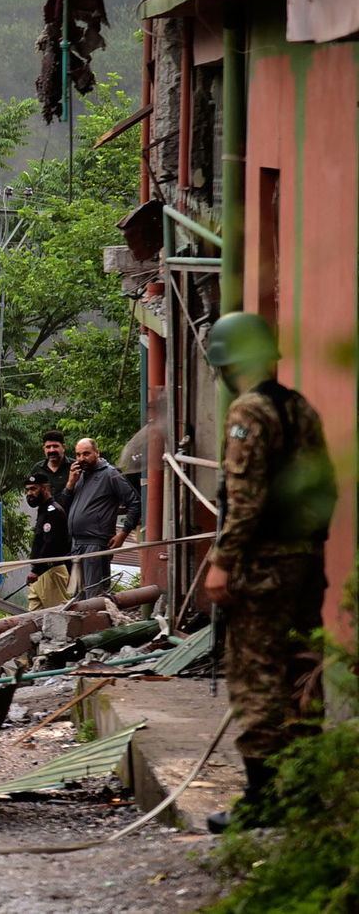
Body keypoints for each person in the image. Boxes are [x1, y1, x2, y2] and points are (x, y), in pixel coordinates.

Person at [200, 312, 335, 833]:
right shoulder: (301, 408)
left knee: (256, 679)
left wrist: (223, 561)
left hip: (262, 569)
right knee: (303, 672)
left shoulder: (249, 412)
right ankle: (306, 794)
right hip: (305, 563)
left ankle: (262, 801)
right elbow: (324, 489)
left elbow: (245, 499)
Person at [62, 436, 140, 599]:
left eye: (86, 454)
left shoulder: (110, 474)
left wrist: (123, 533)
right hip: (76, 544)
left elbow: (135, 502)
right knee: (77, 598)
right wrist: (70, 484)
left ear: (97, 453)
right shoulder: (79, 476)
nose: (81, 459)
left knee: (94, 597)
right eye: (78, 455)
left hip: (96, 544)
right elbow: (64, 506)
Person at [24, 470, 72, 611]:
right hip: (40, 574)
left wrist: (37, 570)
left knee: (59, 617)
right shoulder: (43, 510)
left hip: (52, 571)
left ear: (44, 488)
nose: (29, 493)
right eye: (27, 490)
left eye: (33, 489)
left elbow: (50, 544)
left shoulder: (54, 511)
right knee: (32, 619)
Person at [30, 429, 72, 505]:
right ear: (44, 449)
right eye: (48, 447)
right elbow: (32, 503)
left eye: (55, 446)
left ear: (63, 447)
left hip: (70, 516)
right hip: (45, 516)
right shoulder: (37, 469)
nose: (52, 450)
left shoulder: (75, 467)